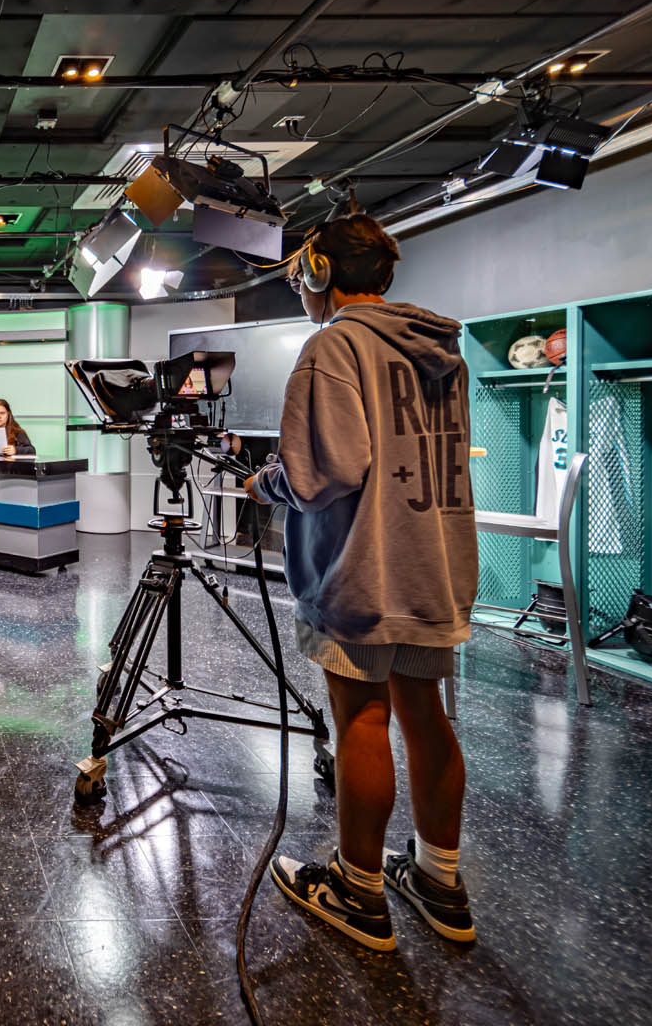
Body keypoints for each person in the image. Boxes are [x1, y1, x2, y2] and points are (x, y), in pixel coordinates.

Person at [243, 212, 478, 952]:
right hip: (432, 562)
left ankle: (358, 890)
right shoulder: (438, 349)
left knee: (362, 718)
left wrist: (265, 484)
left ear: (321, 272)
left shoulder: (333, 347)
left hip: (362, 566)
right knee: (425, 714)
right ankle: (439, 880)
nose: (301, 290)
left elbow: (324, 474)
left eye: (301, 276)